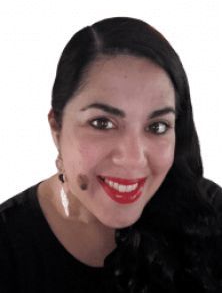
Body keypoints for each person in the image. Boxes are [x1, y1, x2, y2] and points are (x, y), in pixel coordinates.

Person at [0, 16, 222, 293]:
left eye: (157, 126)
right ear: (56, 127)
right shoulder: (7, 246)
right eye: (102, 123)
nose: (133, 158)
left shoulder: (210, 216)